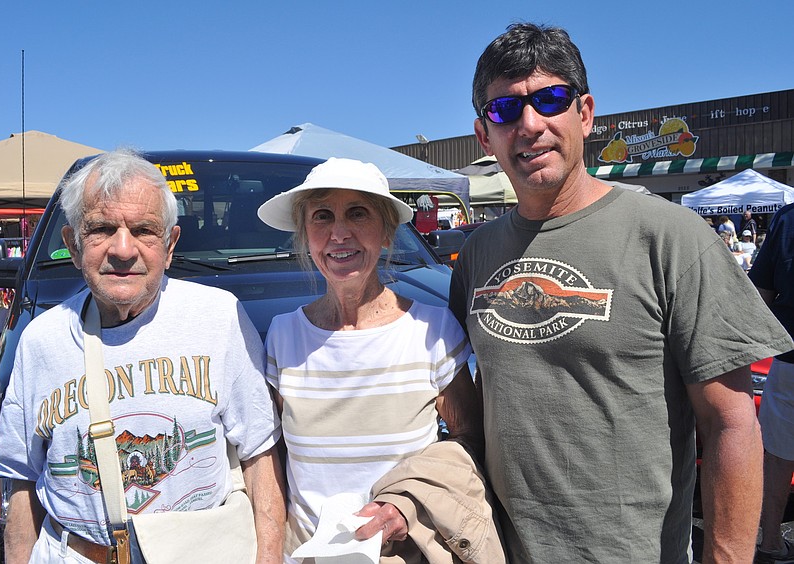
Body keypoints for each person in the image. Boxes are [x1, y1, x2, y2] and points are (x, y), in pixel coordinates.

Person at [450, 22, 794, 563]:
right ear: (484, 136)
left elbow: (730, 422)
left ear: (585, 114)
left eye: (550, 100)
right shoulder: (477, 254)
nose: (530, 124)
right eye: (505, 109)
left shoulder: (671, 237)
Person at [0, 149, 285, 563]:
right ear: (73, 245)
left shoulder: (219, 319)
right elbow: (21, 480)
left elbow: (260, 455)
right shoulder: (40, 340)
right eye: (102, 229)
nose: (123, 249)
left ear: (170, 244)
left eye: (144, 230)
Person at [257, 157, 485, 560]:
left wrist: (406, 506)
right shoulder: (282, 336)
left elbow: (468, 440)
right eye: (322, 216)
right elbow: (269, 456)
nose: (339, 233)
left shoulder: (432, 330)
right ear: (306, 235)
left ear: (386, 232)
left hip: (402, 554)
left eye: (357, 213)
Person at [749, 202, 794, 563]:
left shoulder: (789, 218)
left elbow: (759, 294)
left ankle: (771, 542)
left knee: (779, 455)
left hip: (790, 359)